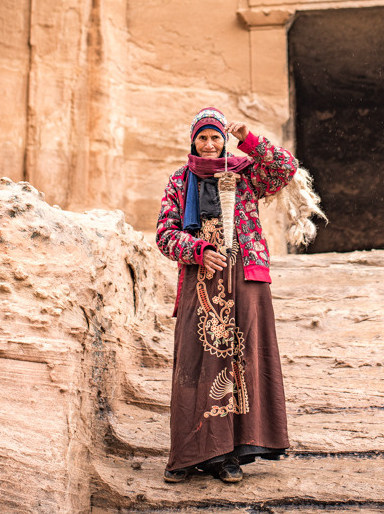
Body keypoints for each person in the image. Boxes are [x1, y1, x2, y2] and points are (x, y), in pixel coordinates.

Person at [155, 106, 298, 484]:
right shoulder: (180, 181)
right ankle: (189, 453)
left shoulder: (247, 172)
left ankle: (230, 454)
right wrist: (198, 250)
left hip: (246, 277)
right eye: (202, 137)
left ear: (223, 140)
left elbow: (286, 168)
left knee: (242, 357)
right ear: (192, 141)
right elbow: (165, 234)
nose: (208, 144)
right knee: (197, 359)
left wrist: (250, 140)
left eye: (215, 137)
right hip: (201, 279)